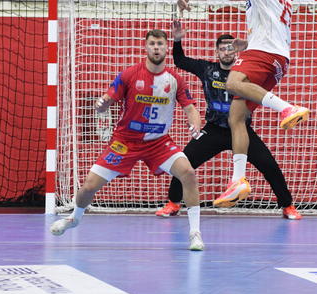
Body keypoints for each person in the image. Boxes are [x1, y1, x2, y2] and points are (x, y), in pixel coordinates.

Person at [177, 0, 310, 208]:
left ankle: (287, 108)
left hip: (264, 53)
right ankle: (238, 180)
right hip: (277, 57)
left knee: (232, 82)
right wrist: (247, 43)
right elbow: (273, 28)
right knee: (236, 116)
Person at [49, 29, 206, 251]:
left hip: (159, 142)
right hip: (124, 142)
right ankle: (74, 218)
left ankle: (195, 233)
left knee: (188, 173)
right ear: (146, 47)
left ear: (166, 48)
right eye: (152, 44)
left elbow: (190, 108)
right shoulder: (130, 74)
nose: (156, 48)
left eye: (160, 44)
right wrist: (102, 105)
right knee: (88, 187)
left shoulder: (175, 79)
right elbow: (107, 99)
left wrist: (195, 124)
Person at [155, 19, 302, 218]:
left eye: (230, 48)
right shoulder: (207, 69)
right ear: (217, 52)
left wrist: (252, 46)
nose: (226, 52)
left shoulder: (248, 74)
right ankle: (173, 203)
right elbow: (180, 61)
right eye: (222, 49)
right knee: (184, 162)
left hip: (241, 130)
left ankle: (287, 206)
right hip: (213, 129)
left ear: (237, 52)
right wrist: (177, 40)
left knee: (269, 166)